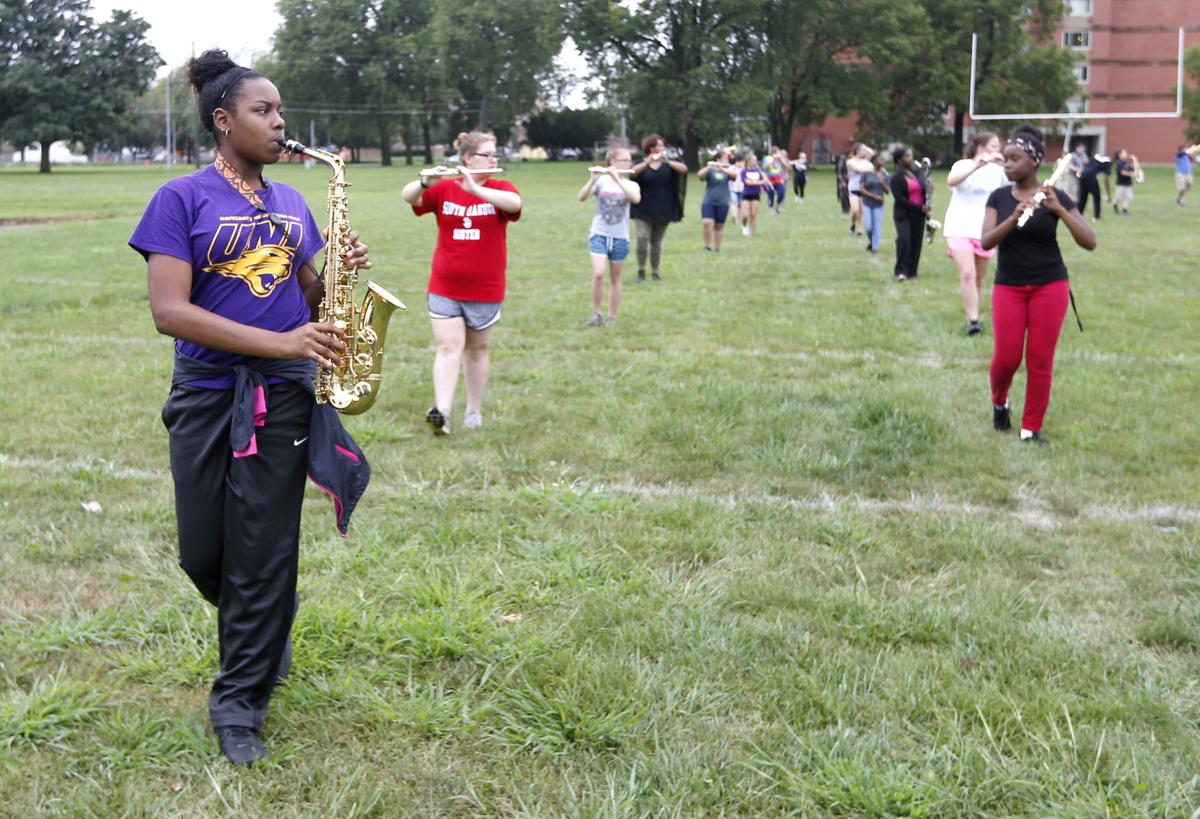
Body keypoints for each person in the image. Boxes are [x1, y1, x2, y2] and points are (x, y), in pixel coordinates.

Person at [130, 49, 374, 767]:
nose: (279, 123)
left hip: (284, 399)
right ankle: (265, 624)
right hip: (206, 397)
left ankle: (240, 703)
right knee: (203, 552)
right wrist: (278, 339)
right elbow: (170, 312)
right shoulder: (181, 199)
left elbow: (312, 304)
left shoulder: (296, 203)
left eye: (280, 111)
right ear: (223, 119)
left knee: (264, 550)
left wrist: (338, 276)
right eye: (263, 111)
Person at [981, 124, 1096, 445]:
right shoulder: (999, 197)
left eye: (1014, 159)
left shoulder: (1054, 196)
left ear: (1034, 162)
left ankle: (1031, 428)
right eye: (1005, 159)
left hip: (1050, 285)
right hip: (1009, 287)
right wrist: (1014, 215)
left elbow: (1090, 241)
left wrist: (1059, 209)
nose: (1008, 164)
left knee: (1040, 358)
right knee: (1006, 357)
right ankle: (1000, 400)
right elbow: (987, 241)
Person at [401, 131, 522, 435]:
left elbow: (514, 203)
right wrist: (425, 182)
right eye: (488, 154)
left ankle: (473, 410)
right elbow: (408, 196)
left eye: (496, 155)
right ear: (468, 158)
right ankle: (441, 413)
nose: (495, 160)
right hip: (445, 285)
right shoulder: (444, 189)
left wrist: (476, 189)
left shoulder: (500, 187)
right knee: (447, 346)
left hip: (485, 289)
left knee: (477, 351)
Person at [942, 131, 1007, 335]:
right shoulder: (962, 165)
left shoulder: (998, 172)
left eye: (998, 147)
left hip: (985, 231)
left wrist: (1004, 164)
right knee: (968, 273)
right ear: (981, 147)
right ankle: (973, 320)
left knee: (979, 277)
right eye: (994, 146)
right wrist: (978, 164)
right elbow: (952, 181)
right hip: (959, 227)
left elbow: (1014, 186)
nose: (997, 150)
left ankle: (975, 313)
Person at [578, 148, 641, 326]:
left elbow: (636, 199)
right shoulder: (601, 182)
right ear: (613, 162)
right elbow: (581, 197)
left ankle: (611, 316)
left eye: (629, 160)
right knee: (598, 273)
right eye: (624, 160)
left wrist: (618, 180)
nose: (628, 163)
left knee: (615, 277)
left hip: (620, 237)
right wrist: (592, 180)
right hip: (599, 234)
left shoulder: (631, 184)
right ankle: (596, 314)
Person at [629, 134, 688, 281]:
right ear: (650, 148)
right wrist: (647, 162)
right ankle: (641, 270)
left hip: (663, 209)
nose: (662, 148)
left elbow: (684, 169)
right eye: (659, 146)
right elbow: (632, 173)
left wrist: (667, 161)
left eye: (663, 146)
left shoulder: (668, 164)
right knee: (642, 238)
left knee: (656, 242)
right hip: (642, 208)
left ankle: (655, 271)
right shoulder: (641, 163)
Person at [889, 145, 930, 281]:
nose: (910, 158)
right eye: (907, 156)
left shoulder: (918, 174)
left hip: (919, 215)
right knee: (904, 240)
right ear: (899, 160)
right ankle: (901, 271)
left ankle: (912, 272)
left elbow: (924, 190)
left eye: (910, 156)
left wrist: (929, 188)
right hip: (903, 214)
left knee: (916, 242)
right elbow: (900, 199)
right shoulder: (896, 177)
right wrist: (919, 207)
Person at [698, 148, 733, 252]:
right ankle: (707, 246)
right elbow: (699, 175)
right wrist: (709, 167)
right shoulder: (710, 171)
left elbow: (735, 176)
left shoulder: (728, 171)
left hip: (723, 202)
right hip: (708, 201)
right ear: (717, 159)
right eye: (724, 159)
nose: (726, 160)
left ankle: (717, 248)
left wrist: (722, 168)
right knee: (707, 223)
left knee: (719, 225)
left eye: (727, 159)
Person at [858, 153, 889, 254]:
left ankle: (874, 248)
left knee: (876, 227)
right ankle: (872, 242)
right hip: (867, 203)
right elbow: (861, 189)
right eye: (880, 159)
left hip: (879, 205)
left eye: (883, 160)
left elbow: (887, 191)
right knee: (868, 227)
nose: (882, 161)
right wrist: (873, 196)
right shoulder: (866, 174)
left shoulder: (885, 175)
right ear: (874, 161)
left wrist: (882, 182)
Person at [846, 144, 874, 236]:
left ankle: (860, 229)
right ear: (858, 151)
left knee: (861, 211)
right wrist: (870, 168)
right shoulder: (850, 161)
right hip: (853, 187)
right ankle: (853, 224)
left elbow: (872, 155)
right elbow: (860, 170)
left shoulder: (867, 162)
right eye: (863, 151)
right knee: (855, 210)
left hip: (864, 188)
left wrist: (867, 151)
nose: (865, 153)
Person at [738, 153, 769, 236]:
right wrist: (759, 182)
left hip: (756, 194)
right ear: (748, 161)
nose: (755, 161)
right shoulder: (744, 171)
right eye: (754, 160)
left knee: (754, 214)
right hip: (746, 194)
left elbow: (765, 180)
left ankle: (752, 233)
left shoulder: (758, 171)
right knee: (745, 215)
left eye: (755, 160)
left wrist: (757, 182)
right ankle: (744, 226)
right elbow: (748, 183)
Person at [1076, 151, 1111, 221]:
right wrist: (1109, 195)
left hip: (1083, 175)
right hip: (1090, 177)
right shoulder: (1107, 163)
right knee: (1097, 196)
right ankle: (1096, 217)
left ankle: (1077, 216)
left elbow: (1086, 162)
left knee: (1082, 198)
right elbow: (1106, 180)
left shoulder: (1096, 158)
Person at [1112, 148, 1136, 214]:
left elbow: (1133, 169)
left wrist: (1134, 162)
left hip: (1128, 183)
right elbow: (1123, 172)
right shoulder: (1119, 163)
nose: (1126, 154)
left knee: (1129, 196)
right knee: (1118, 197)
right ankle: (1115, 205)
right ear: (1119, 155)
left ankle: (1125, 209)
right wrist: (1132, 174)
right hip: (1120, 183)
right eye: (1124, 153)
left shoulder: (1126, 163)